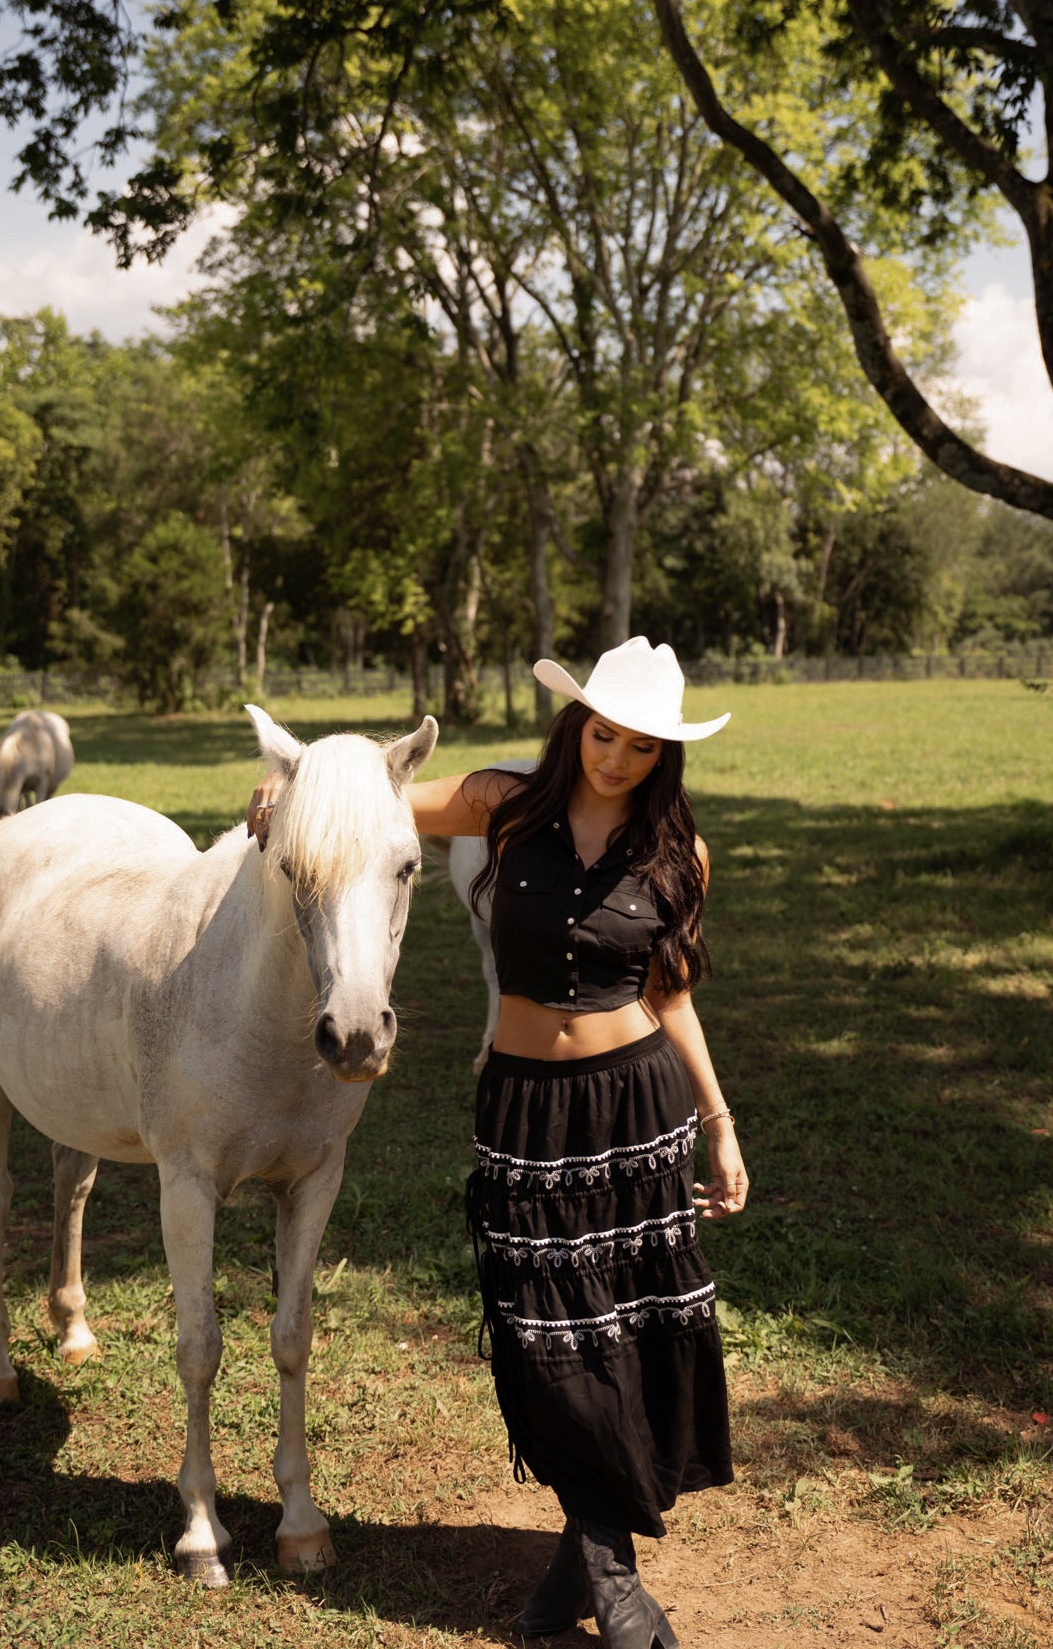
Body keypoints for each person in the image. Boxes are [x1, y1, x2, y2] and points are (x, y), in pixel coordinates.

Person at [249, 636, 748, 1648]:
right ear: (578, 724)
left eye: (640, 745)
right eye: (603, 731)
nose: (614, 756)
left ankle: (602, 1571)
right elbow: (362, 809)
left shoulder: (678, 851)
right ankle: (591, 1563)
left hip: (635, 1112)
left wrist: (719, 1121)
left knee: (631, 1333)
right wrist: (281, 798)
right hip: (525, 1108)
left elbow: (672, 993)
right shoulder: (501, 804)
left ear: (665, 755)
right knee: (545, 1339)